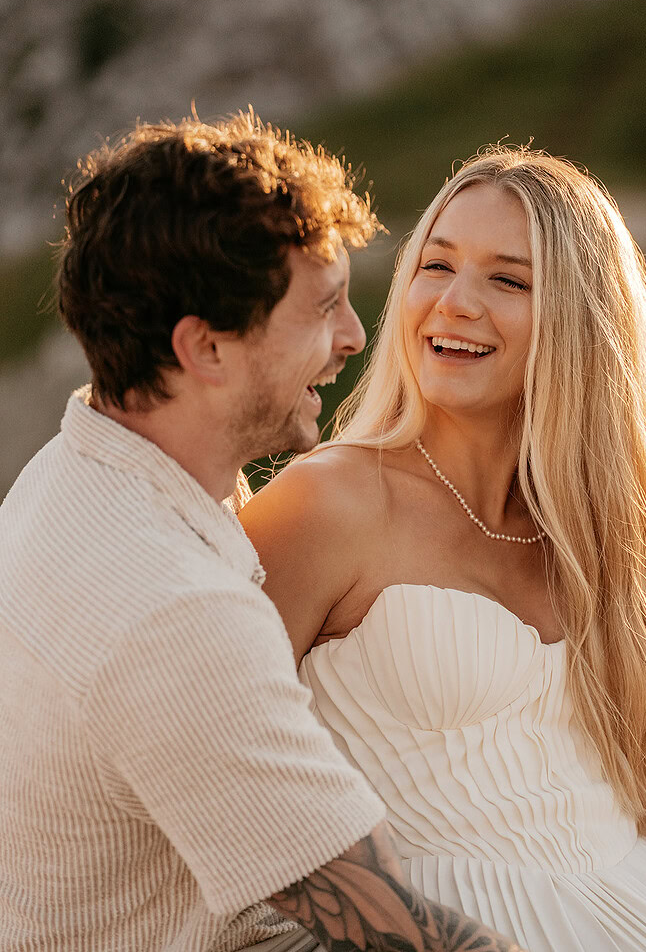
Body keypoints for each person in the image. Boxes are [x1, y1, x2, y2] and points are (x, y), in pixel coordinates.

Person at [0, 116, 523, 952]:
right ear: (206, 347)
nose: (354, 337)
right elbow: (395, 930)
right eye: (321, 310)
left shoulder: (74, 473)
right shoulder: (171, 610)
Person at [239, 145, 646, 952]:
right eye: (435, 265)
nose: (453, 303)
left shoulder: (616, 535)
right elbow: (203, 755)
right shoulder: (326, 501)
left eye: (507, 280)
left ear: (581, 320)